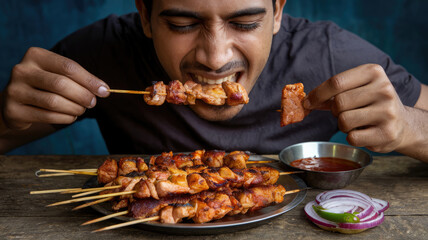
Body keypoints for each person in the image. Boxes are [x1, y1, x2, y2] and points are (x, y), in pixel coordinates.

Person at [0, 0, 427, 162]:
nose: (215, 57)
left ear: (277, 12)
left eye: (245, 22)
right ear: (145, 16)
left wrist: (411, 129)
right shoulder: (100, 54)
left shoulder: (330, 56)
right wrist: (5, 119)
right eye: (184, 24)